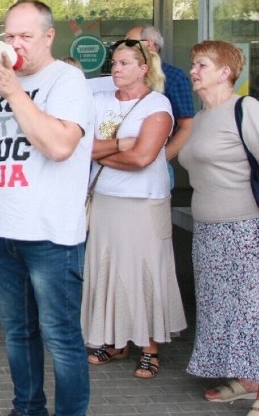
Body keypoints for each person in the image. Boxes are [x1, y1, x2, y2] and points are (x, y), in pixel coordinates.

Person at [0, 0, 93, 416]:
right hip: (2, 234)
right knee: (18, 333)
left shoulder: (67, 80)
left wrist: (16, 93)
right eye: (9, 35)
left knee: (61, 338)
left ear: (49, 37)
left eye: (25, 36)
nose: (15, 45)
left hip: (51, 237)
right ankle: (27, 408)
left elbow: (58, 146)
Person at [178, 41, 259, 416]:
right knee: (220, 308)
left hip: (245, 230)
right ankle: (246, 381)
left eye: (202, 64)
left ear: (226, 72)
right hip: (209, 231)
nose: (194, 70)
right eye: (194, 64)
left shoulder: (247, 107)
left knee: (255, 311)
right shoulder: (203, 116)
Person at [80, 39, 187, 379]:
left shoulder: (158, 105)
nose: (116, 68)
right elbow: (79, 145)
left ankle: (150, 349)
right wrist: (118, 145)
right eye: (114, 63)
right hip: (106, 200)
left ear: (143, 69)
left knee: (145, 272)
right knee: (108, 270)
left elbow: (142, 158)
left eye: (125, 63)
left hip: (144, 201)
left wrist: (99, 152)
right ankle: (114, 340)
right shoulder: (98, 100)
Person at [125, 25, 194, 168]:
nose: (123, 46)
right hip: (121, 159)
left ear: (148, 44)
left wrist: (160, 160)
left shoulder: (174, 77)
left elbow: (186, 127)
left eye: (129, 42)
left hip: (155, 165)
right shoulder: (124, 76)